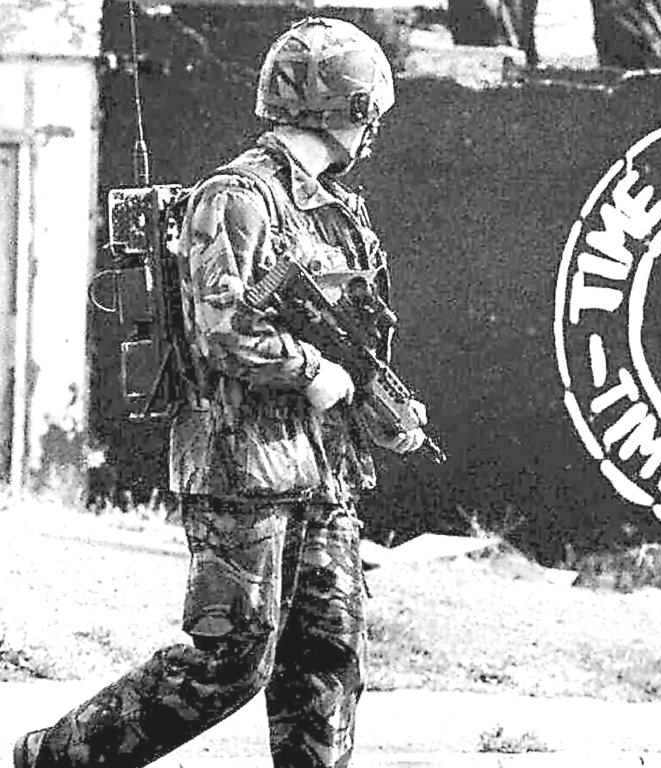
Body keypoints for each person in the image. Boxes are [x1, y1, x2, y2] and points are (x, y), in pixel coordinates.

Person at [13, 16, 426, 768]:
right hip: (245, 466)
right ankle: (57, 758)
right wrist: (313, 373)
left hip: (323, 471)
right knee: (227, 665)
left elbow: (358, 340)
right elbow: (223, 330)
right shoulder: (235, 198)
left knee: (328, 657)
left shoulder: (338, 211)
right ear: (349, 109)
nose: (374, 132)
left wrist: (375, 398)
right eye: (371, 114)